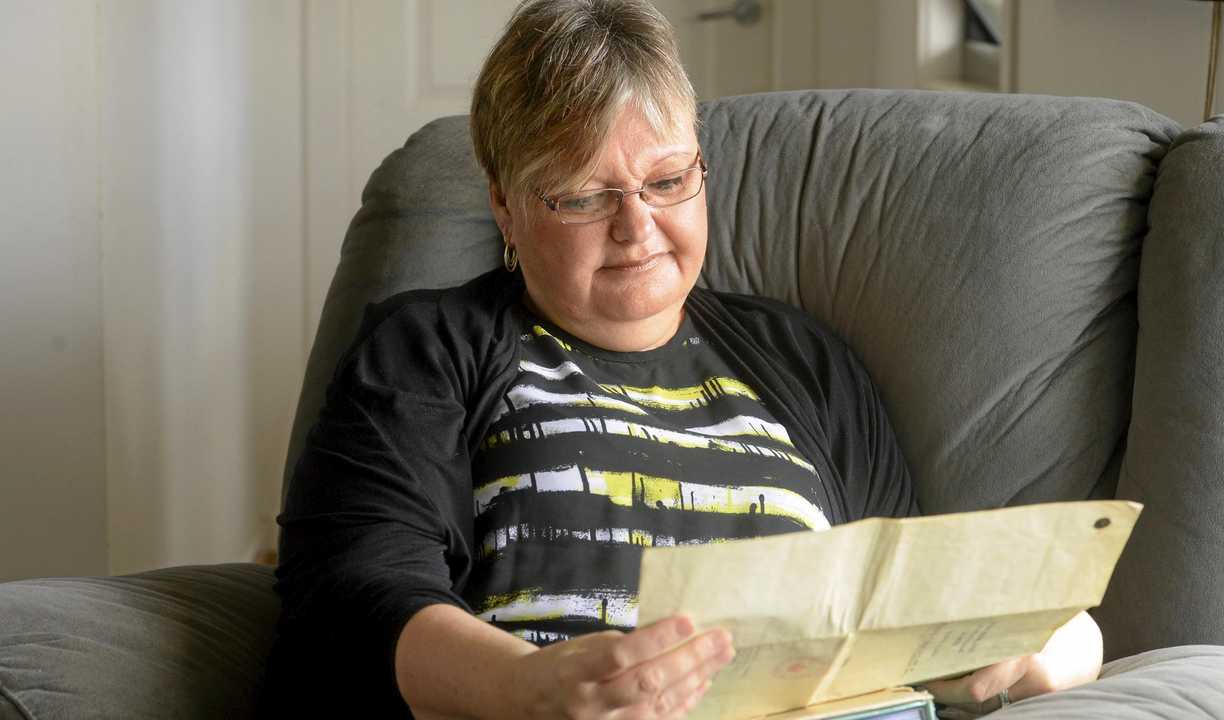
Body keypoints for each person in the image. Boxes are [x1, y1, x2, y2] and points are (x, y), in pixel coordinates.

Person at [263, 1, 1103, 718]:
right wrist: (530, 687)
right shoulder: (431, 349)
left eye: (667, 181)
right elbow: (352, 592)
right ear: (506, 206)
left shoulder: (805, 364)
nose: (636, 227)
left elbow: (901, 598)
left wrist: (1044, 650)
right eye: (586, 196)